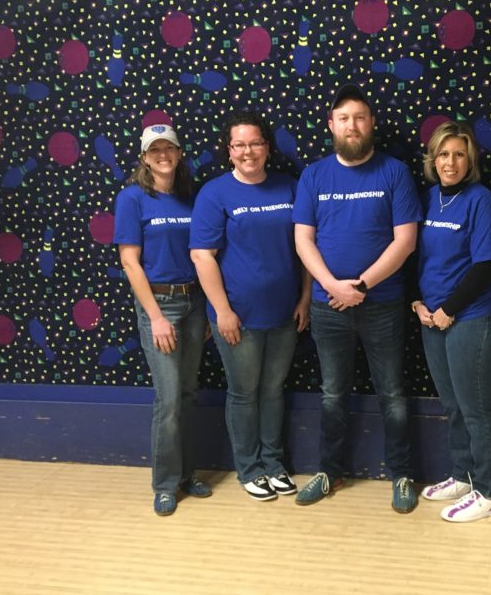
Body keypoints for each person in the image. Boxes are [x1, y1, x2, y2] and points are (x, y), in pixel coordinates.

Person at [292, 84, 422, 513]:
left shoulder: (395, 172)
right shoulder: (313, 175)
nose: (352, 125)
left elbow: (404, 241)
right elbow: (303, 239)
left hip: (381, 305)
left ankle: (402, 474)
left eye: (360, 117)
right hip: (329, 307)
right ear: (331, 125)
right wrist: (333, 286)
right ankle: (330, 471)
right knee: (332, 394)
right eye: (344, 118)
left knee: (392, 393)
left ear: (372, 124)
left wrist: (360, 286)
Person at [190, 110, 311, 501]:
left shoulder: (289, 187)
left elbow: (307, 245)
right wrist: (222, 311)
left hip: (284, 313)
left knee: (273, 391)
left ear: (267, 147)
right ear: (229, 151)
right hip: (237, 317)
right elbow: (202, 256)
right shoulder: (215, 193)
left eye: (255, 143)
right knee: (243, 393)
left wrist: (306, 297)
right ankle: (249, 468)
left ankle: (273, 464)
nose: (248, 151)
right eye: (239, 144)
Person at [114, 124, 212, 516]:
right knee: (169, 399)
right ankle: (166, 484)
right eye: (154, 149)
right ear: (144, 157)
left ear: (178, 152)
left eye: (167, 147)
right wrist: (155, 318)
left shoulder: (192, 198)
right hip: (160, 306)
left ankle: (187, 474)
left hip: (193, 303)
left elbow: (204, 256)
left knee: (188, 395)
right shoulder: (133, 199)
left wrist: (206, 309)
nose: (162, 155)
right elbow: (129, 262)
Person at [412, 121, 491, 523]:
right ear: (433, 159)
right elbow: (420, 257)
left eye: (459, 154)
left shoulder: (481, 200)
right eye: (443, 154)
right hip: (432, 317)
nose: (450, 162)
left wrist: (449, 308)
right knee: (451, 405)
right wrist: (417, 302)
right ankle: (463, 476)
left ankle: (488, 492)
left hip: (472, 316)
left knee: (474, 407)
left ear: (470, 161)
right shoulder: (430, 198)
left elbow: (485, 264)